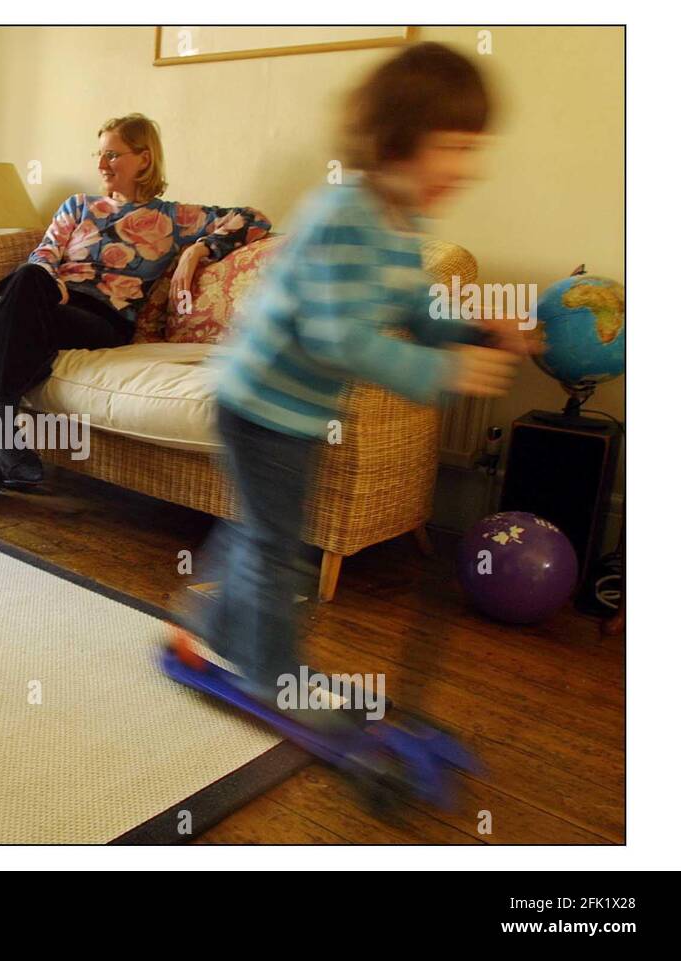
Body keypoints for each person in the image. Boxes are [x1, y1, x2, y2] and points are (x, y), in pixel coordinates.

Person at [185, 42, 536, 732]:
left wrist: (471, 329)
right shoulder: (343, 216)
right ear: (397, 140)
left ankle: (216, 630)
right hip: (260, 406)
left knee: (263, 531)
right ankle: (271, 675)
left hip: (294, 411)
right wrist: (443, 372)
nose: (468, 168)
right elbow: (338, 336)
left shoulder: (402, 225)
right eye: (454, 147)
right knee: (280, 548)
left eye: (474, 149)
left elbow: (411, 307)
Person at [0, 112, 272, 514]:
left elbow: (255, 218)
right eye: (99, 155)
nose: (100, 166)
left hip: (101, 320)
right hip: (51, 300)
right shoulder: (78, 206)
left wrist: (198, 249)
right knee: (23, 282)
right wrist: (52, 283)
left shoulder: (173, 218)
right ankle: (0, 426)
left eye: (112, 156)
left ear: (144, 159)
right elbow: (44, 253)